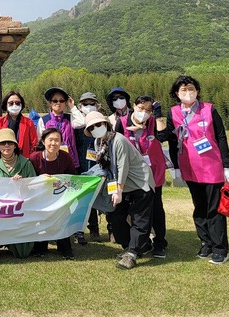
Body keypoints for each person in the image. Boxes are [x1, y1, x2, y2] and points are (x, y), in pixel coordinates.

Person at [166, 75, 229, 265]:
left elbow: (221, 137)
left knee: (214, 209)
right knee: (199, 207)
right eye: (183, 90)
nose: (188, 93)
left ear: (197, 91)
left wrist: (227, 165)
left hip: (212, 167)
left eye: (191, 89)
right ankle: (206, 243)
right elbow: (172, 141)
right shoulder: (173, 113)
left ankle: (220, 249)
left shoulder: (209, 109)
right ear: (176, 93)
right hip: (189, 168)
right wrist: (176, 167)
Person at [84, 111, 155, 270]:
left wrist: (119, 190)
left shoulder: (119, 140)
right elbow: (104, 167)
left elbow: (123, 166)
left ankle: (132, 254)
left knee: (139, 219)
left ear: (106, 124)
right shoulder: (98, 143)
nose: (96, 128)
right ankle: (132, 246)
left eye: (98, 124)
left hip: (139, 183)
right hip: (118, 185)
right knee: (115, 217)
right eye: (92, 127)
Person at [114, 95, 169, 258]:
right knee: (131, 211)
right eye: (141, 108)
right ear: (133, 106)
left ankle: (160, 243)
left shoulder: (152, 122)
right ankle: (138, 244)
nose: (144, 112)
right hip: (130, 175)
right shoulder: (122, 122)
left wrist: (158, 116)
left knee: (156, 209)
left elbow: (163, 137)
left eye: (148, 110)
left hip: (153, 172)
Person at [0, 128, 37, 264]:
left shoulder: (26, 164)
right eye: (3, 143)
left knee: (22, 253)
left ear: (15, 145)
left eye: (10, 143)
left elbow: (35, 187)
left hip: (20, 209)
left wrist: (23, 184)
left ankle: (12, 242)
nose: (6, 146)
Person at [29, 128, 76, 260]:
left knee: (61, 220)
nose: (53, 143)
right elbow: (29, 179)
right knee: (42, 221)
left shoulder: (65, 157)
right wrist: (40, 179)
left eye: (57, 140)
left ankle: (64, 248)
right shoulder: (34, 158)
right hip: (40, 198)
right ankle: (40, 247)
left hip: (60, 196)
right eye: (50, 140)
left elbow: (73, 177)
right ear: (43, 141)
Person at [67, 91, 102, 241]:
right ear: (80, 106)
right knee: (82, 199)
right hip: (80, 165)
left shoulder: (102, 121)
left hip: (99, 164)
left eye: (91, 104)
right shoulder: (76, 121)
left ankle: (109, 229)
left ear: (97, 105)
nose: (89, 106)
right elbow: (80, 124)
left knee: (102, 196)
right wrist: (73, 108)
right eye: (85, 104)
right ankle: (84, 229)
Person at [36, 87, 79, 171]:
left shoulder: (70, 118)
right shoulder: (44, 120)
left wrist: (72, 107)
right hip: (50, 161)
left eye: (61, 101)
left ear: (65, 103)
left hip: (69, 161)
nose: (58, 103)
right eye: (55, 101)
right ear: (50, 103)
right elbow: (40, 140)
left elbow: (82, 123)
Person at [0, 90, 37, 164]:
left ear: (21, 105)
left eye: (17, 103)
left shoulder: (29, 123)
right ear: (6, 105)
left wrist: (29, 159)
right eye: (11, 103)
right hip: (5, 161)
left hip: (24, 161)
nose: (14, 105)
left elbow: (34, 143)